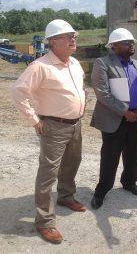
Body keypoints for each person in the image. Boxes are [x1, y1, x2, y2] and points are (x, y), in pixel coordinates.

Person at [11, 19, 86, 244]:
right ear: (53, 41)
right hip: (53, 125)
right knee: (48, 173)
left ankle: (65, 197)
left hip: (75, 123)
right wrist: (35, 121)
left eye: (74, 35)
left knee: (72, 163)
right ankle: (44, 221)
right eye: (67, 36)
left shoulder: (74, 63)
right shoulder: (40, 66)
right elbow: (18, 93)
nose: (73, 39)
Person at [90, 28, 137, 209]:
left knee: (133, 153)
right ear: (114, 46)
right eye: (126, 42)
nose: (131, 45)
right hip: (114, 119)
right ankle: (102, 190)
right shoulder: (102, 63)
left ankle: (129, 182)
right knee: (110, 156)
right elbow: (103, 93)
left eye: (132, 42)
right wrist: (125, 112)